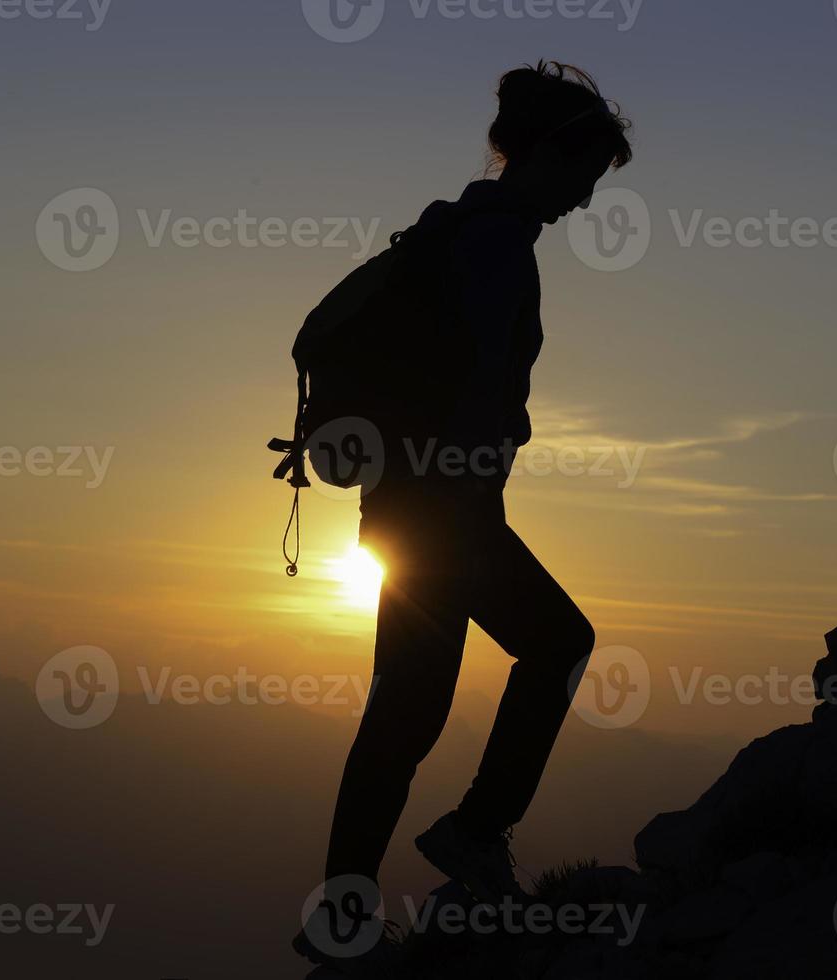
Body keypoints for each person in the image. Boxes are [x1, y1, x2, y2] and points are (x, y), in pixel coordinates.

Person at [295, 61, 634, 974]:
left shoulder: (454, 232)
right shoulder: (494, 246)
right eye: (584, 176)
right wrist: (481, 469)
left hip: (408, 507)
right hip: (445, 511)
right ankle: (472, 835)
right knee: (555, 645)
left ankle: (344, 918)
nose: (584, 201)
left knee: (405, 717)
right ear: (543, 156)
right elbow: (484, 385)